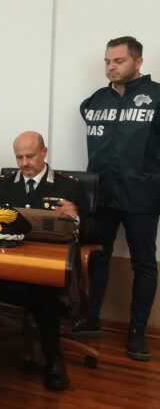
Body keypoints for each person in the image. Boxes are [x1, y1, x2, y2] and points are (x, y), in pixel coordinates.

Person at [0, 131, 87, 391]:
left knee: (45, 291)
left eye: (30, 156)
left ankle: (53, 359)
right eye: (19, 157)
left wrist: (75, 217)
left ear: (44, 152)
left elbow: (96, 232)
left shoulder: (69, 186)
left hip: (44, 266)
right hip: (5, 262)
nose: (24, 163)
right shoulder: (3, 185)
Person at [74, 36, 160, 361]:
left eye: (119, 61)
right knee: (97, 257)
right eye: (107, 61)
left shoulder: (156, 98)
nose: (111, 67)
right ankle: (91, 317)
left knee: (144, 263)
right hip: (101, 195)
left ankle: (137, 332)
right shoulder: (95, 101)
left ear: (138, 61)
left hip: (142, 196)